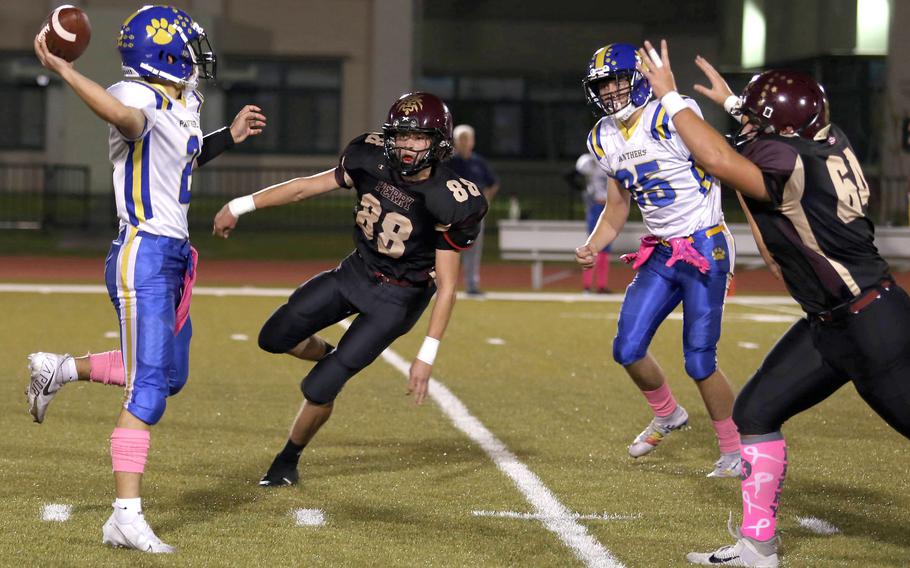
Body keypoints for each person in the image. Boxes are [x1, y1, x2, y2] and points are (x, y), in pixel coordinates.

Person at [636, 39, 910, 567]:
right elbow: (776, 135)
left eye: (759, 124)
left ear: (781, 131)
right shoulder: (824, 140)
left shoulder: (784, 159)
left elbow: (717, 156)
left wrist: (670, 97)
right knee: (756, 412)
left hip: (873, 326)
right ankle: (758, 547)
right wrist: (738, 104)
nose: (751, 133)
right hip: (831, 323)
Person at [26, 5, 265, 553]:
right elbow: (127, 121)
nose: (196, 55)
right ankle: (124, 516)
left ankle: (59, 368)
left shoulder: (184, 100)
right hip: (143, 253)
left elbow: (185, 156)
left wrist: (229, 135)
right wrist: (64, 71)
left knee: (169, 375)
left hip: (174, 255)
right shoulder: (134, 95)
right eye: (187, 45)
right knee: (149, 389)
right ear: (164, 51)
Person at [211, 92, 487, 487]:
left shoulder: (451, 198)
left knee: (321, 386)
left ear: (438, 141)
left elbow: (446, 286)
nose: (407, 146)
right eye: (401, 136)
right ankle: (333, 356)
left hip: (398, 297)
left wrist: (426, 356)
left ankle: (287, 460)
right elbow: (306, 187)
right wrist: (241, 205)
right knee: (273, 337)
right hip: (356, 271)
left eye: (417, 138)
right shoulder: (369, 156)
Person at [574, 43, 741, 478]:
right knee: (627, 348)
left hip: (705, 245)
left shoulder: (672, 112)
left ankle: (734, 449)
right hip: (662, 249)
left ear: (639, 77)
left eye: (616, 79)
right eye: (602, 84)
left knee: (700, 360)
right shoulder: (602, 136)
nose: (610, 90)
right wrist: (595, 243)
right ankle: (668, 414)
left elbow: (719, 160)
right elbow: (616, 207)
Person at [447, 124, 499, 295]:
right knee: (449, 249)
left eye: (466, 139)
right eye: (460, 139)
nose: (463, 143)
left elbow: (493, 183)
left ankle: (472, 285)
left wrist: (486, 200)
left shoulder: (479, 162)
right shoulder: (449, 163)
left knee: (473, 250)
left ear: (472, 141)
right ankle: (446, 286)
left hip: (475, 214)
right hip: (453, 213)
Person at [572, 152, 612, 293]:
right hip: (596, 206)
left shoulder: (613, 159)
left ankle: (601, 285)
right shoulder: (590, 161)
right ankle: (587, 285)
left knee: (605, 248)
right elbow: (571, 175)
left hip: (609, 207)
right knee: (592, 245)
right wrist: (584, 190)